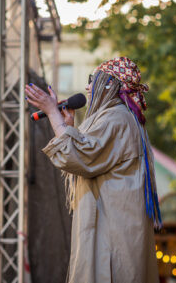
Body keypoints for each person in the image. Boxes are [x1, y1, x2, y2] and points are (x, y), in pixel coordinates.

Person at [25, 57, 161, 283]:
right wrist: (68, 127)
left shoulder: (116, 117)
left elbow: (79, 156)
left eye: (93, 80)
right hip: (114, 226)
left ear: (109, 85)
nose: (88, 87)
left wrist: (52, 112)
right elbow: (87, 154)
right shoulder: (118, 117)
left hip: (112, 233)